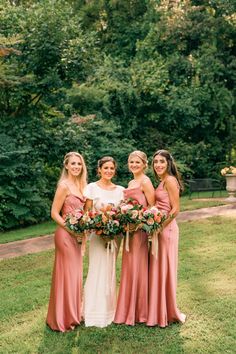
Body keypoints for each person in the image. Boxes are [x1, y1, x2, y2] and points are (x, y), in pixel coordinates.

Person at [46, 151, 87, 332]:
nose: (76, 167)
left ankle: (75, 313)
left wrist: (83, 231)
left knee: (76, 274)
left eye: (79, 164)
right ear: (66, 165)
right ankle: (63, 318)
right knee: (67, 275)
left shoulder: (82, 185)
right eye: (73, 164)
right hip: (65, 234)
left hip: (78, 236)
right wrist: (72, 229)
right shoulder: (64, 186)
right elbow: (54, 213)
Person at [114, 150, 155, 325]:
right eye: (131, 162)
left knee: (137, 266)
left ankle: (140, 312)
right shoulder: (131, 182)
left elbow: (152, 207)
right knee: (129, 267)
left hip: (139, 232)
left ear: (144, 164)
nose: (134, 165)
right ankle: (127, 309)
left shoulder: (146, 181)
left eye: (137, 162)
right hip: (129, 231)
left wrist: (139, 219)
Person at [83, 156, 124, 328]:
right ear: (99, 169)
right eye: (105, 168)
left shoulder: (121, 190)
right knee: (96, 269)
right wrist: (98, 225)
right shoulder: (91, 188)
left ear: (115, 170)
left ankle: (110, 309)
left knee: (109, 270)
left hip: (115, 236)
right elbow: (87, 214)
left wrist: (113, 226)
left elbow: (122, 214)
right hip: (97, 236)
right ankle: (92, 311)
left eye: (111, 168)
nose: (108, 171)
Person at [147, 149, 186, 327]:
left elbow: (175, 209)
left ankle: (166, 311)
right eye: (156, 162)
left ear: (168, 163)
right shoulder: (161, 181)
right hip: (158, 228)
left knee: (165, 268)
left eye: (162, 161)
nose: (158, 165)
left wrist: (159, 227)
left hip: (167, 230)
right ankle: (157, 309)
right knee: (158, 268)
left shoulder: (170, 181)